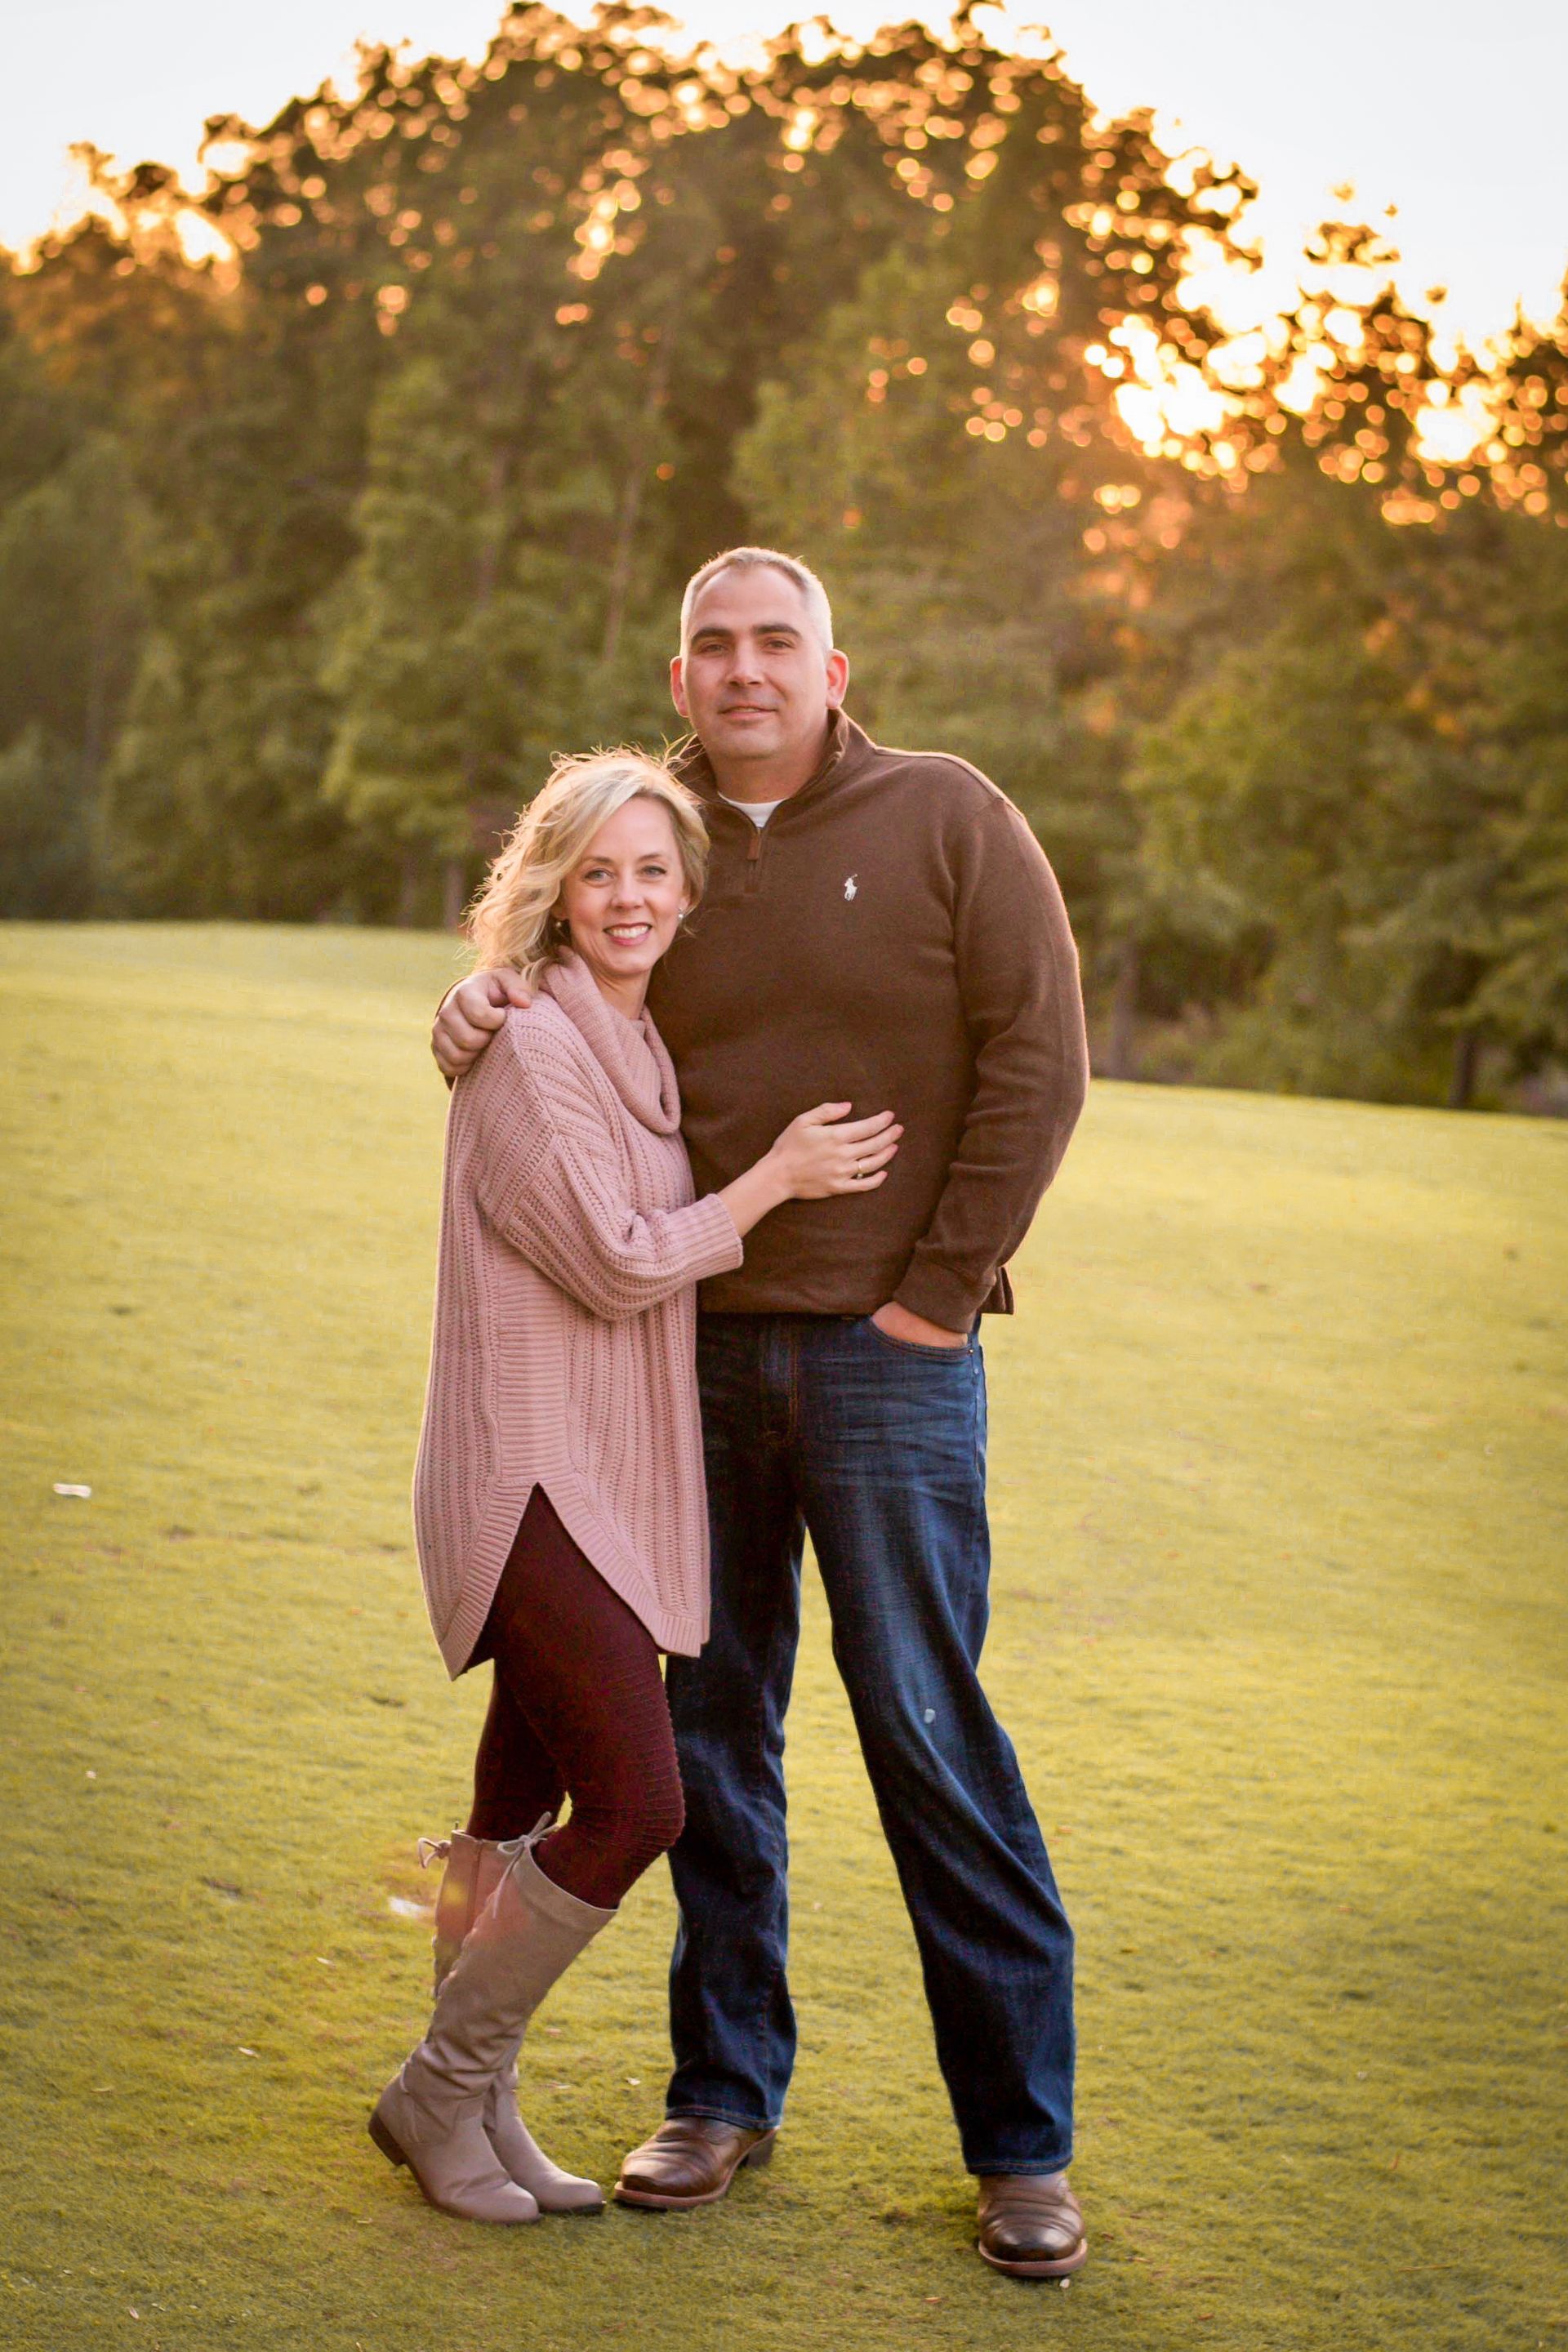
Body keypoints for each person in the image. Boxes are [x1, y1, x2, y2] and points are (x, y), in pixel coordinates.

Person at [432, 549, 1093, 2278]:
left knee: (930, 1737)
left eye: (774, 643)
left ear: (830, 663)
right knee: (716, 1742)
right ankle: (723, 2089)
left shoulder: (948, 814)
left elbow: (1044, 1056)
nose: (744, 670)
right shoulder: (676, 851)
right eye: (713, 645)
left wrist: (940, 1290)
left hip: (895, 1365)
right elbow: (579, 969)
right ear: (679, 680)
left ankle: (1021, 2146)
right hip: (693, 1364)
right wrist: (476, 998)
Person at [372, 746, 900, 2224]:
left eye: (653, 871)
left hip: (598, 1467)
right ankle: (435, 2086)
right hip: (531, 1470)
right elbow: (612, 1254)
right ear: (551, 886)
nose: (627, 896)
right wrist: (774, 1184)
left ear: (685, 895)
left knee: (514, 1789)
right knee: (638, 1800)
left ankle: (476, 2109)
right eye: (598, 870)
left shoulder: (637, 1039)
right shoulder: (535, 1039)